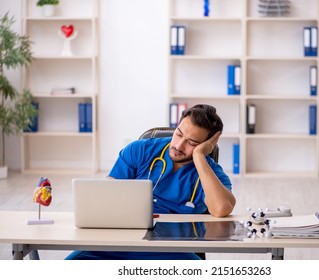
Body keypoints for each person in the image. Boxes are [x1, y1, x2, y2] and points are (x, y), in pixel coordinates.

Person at [65, 104, 236, 260]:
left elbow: (221, 208)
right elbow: (108, 195)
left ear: (208, 145)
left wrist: (199, 157)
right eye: (178, 134)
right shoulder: (140, 149)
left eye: (192, 143)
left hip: (170, 249)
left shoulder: (210, 174)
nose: (178, 145)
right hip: (121, 240)